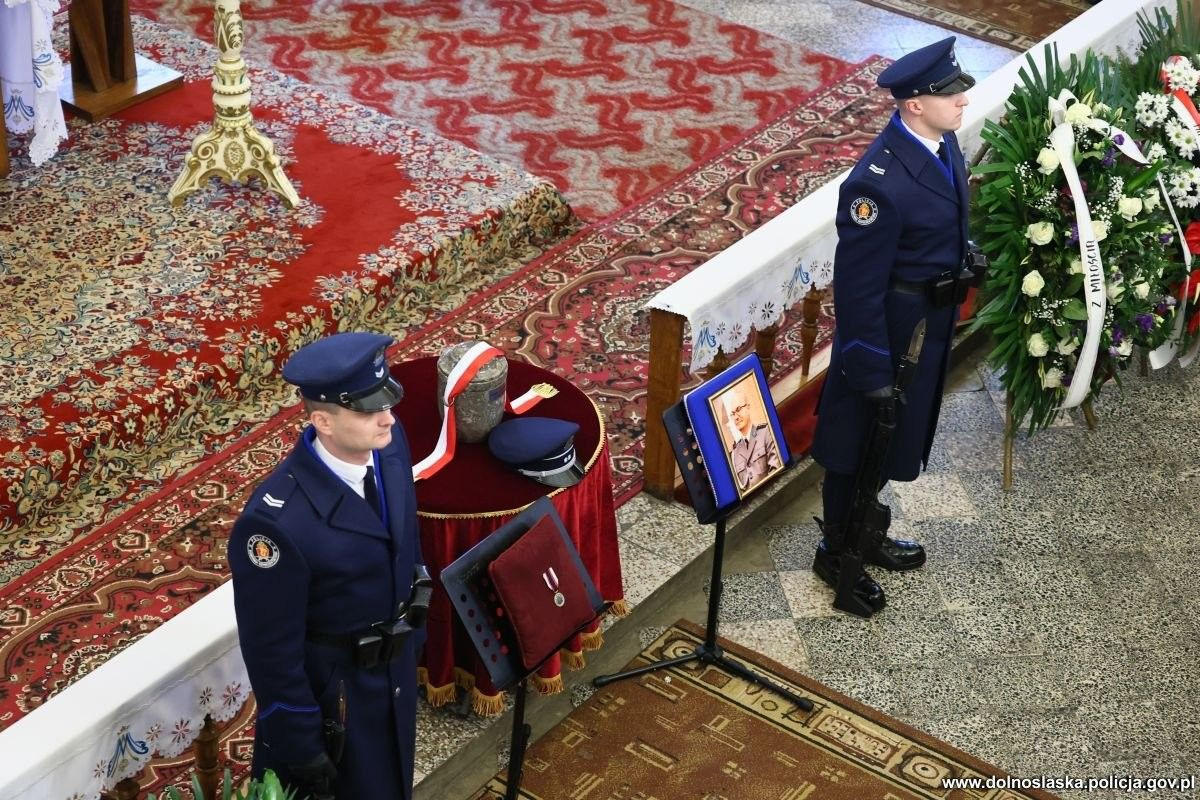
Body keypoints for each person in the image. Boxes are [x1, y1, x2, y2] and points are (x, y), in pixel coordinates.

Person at [809, 37, 977, 612]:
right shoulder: (875, 184)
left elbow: (944, 219)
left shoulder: (941, 143)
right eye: (949, 93)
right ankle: (837, 550)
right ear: (913, 105)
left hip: (926, 326)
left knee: (893, 440)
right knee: (856, 444)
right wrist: (870, 366)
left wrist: (964, 254)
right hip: (889, 335)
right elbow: (857, 288)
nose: (962, 99)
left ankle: (867, 527)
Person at [229, 331, 428, 800]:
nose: (388, 417)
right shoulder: (276, 523)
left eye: (387, 402)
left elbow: (406, 543)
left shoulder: (388, 447)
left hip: (391, 670)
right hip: (335, 697)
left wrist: (415, 641)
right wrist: (298, 738)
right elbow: (269, 648)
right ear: (323, 421)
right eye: (369, 410)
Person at [723, 385, 782, 491]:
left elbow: (776, 470)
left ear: (748, 407)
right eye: (732, 414)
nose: (736, 417)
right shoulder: (734, 454)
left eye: (738, 409)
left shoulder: (765, 432)